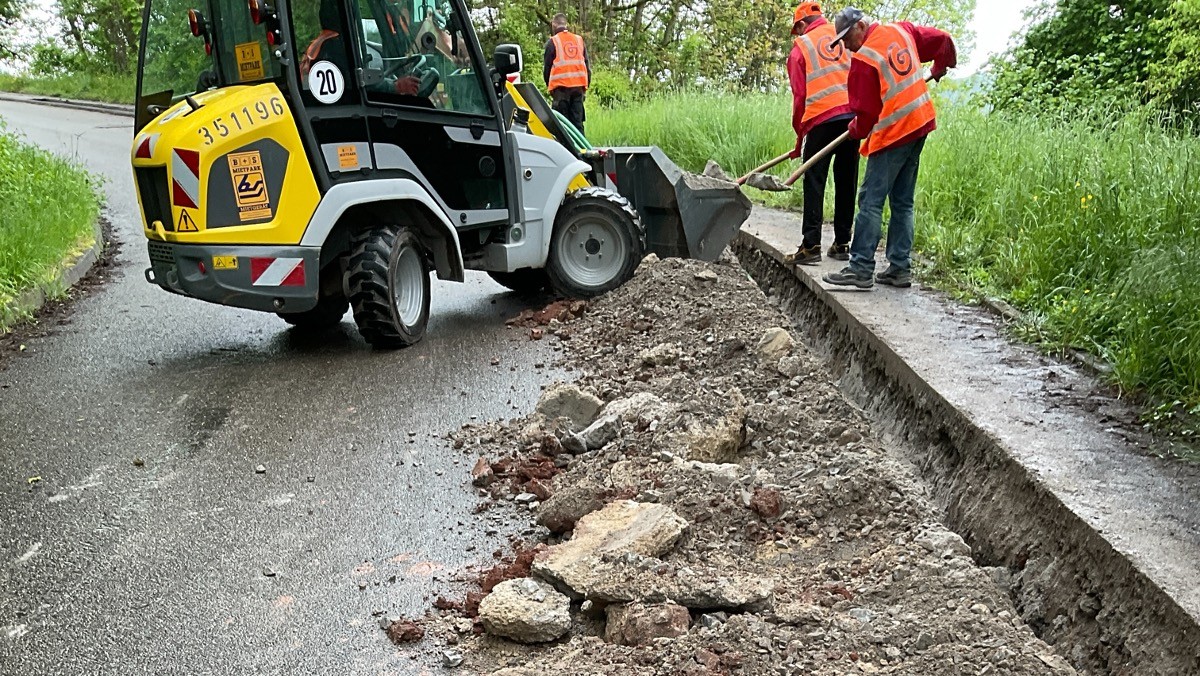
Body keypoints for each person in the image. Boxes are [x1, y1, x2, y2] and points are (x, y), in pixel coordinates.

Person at [821, 7, 955, 289]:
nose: (846, 45)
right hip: (920, 122)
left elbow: (866, 115)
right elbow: (942, 39)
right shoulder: (901, 30)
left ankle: (860, 268)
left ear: (860, 26)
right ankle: (899, 268)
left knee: (870, 200)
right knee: (902, 202)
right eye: (841, 41)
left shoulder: (864, 61)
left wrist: (855, 129)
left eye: (846, 38)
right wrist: (941, 65)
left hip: (895, 133)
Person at [784, 2, 859, 266]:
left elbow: (800, 98)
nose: (799, 35)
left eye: (798, 29)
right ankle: (842, 244)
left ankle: (811, 245)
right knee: (846, 179)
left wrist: (798, 137)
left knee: (814, 180)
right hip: (853, 118)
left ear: (802, 24)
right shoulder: (847, 34)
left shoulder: (801, 48)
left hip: (821, 120)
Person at [300, 0, 421, 97]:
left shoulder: (321, 41)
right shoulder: (335, 46)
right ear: (343, 12)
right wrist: (396, 86)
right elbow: (357, 81)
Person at [543, 13, 591, 135]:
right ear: (566, 24)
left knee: (562, 127)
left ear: (554, 24)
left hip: (561, 90)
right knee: (577, 125)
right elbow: (586, 66)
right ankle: (581, 152)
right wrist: (585, 87)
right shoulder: (579, 40)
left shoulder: (553, 42)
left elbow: (547, 69)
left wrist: (551, 88)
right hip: (578, 89)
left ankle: (564, 152)